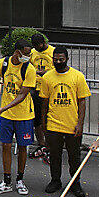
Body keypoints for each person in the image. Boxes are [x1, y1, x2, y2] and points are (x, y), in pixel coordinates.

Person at [0, 38, 37, 196]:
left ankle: (20, 179)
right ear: (17, 52)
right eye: (26, 53)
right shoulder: (2, 64)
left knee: (23, 147)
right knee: (6, 146)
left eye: (29, 53)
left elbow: (23, 94)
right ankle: (7, 180)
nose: (28, 56)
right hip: (7, 116)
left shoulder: (29, 69)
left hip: (24, 115)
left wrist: (4, 108)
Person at [39, 47, 90, 197]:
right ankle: (55, 180)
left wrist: (80, 124)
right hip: (53, 123)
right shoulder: (47, 77)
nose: (58, 62)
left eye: (61, 59)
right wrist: (44, 124)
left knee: (74, 157)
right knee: (54, 155)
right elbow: (45, 103)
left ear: (67, 59)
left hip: (72, 124)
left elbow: (82, 101)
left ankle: (75, 183)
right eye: (55, 59)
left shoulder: (77, 76)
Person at [28, 33, 55, 162]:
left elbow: (57, 70)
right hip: (35, 89)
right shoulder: (32, 53)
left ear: (43, 42)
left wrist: (42, 72)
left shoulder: (53, 52)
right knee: (37, 120)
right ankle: (41, 145)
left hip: (49, 90)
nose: (36, 48)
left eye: (38, 45)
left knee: (49, 120)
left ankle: (51, 147)